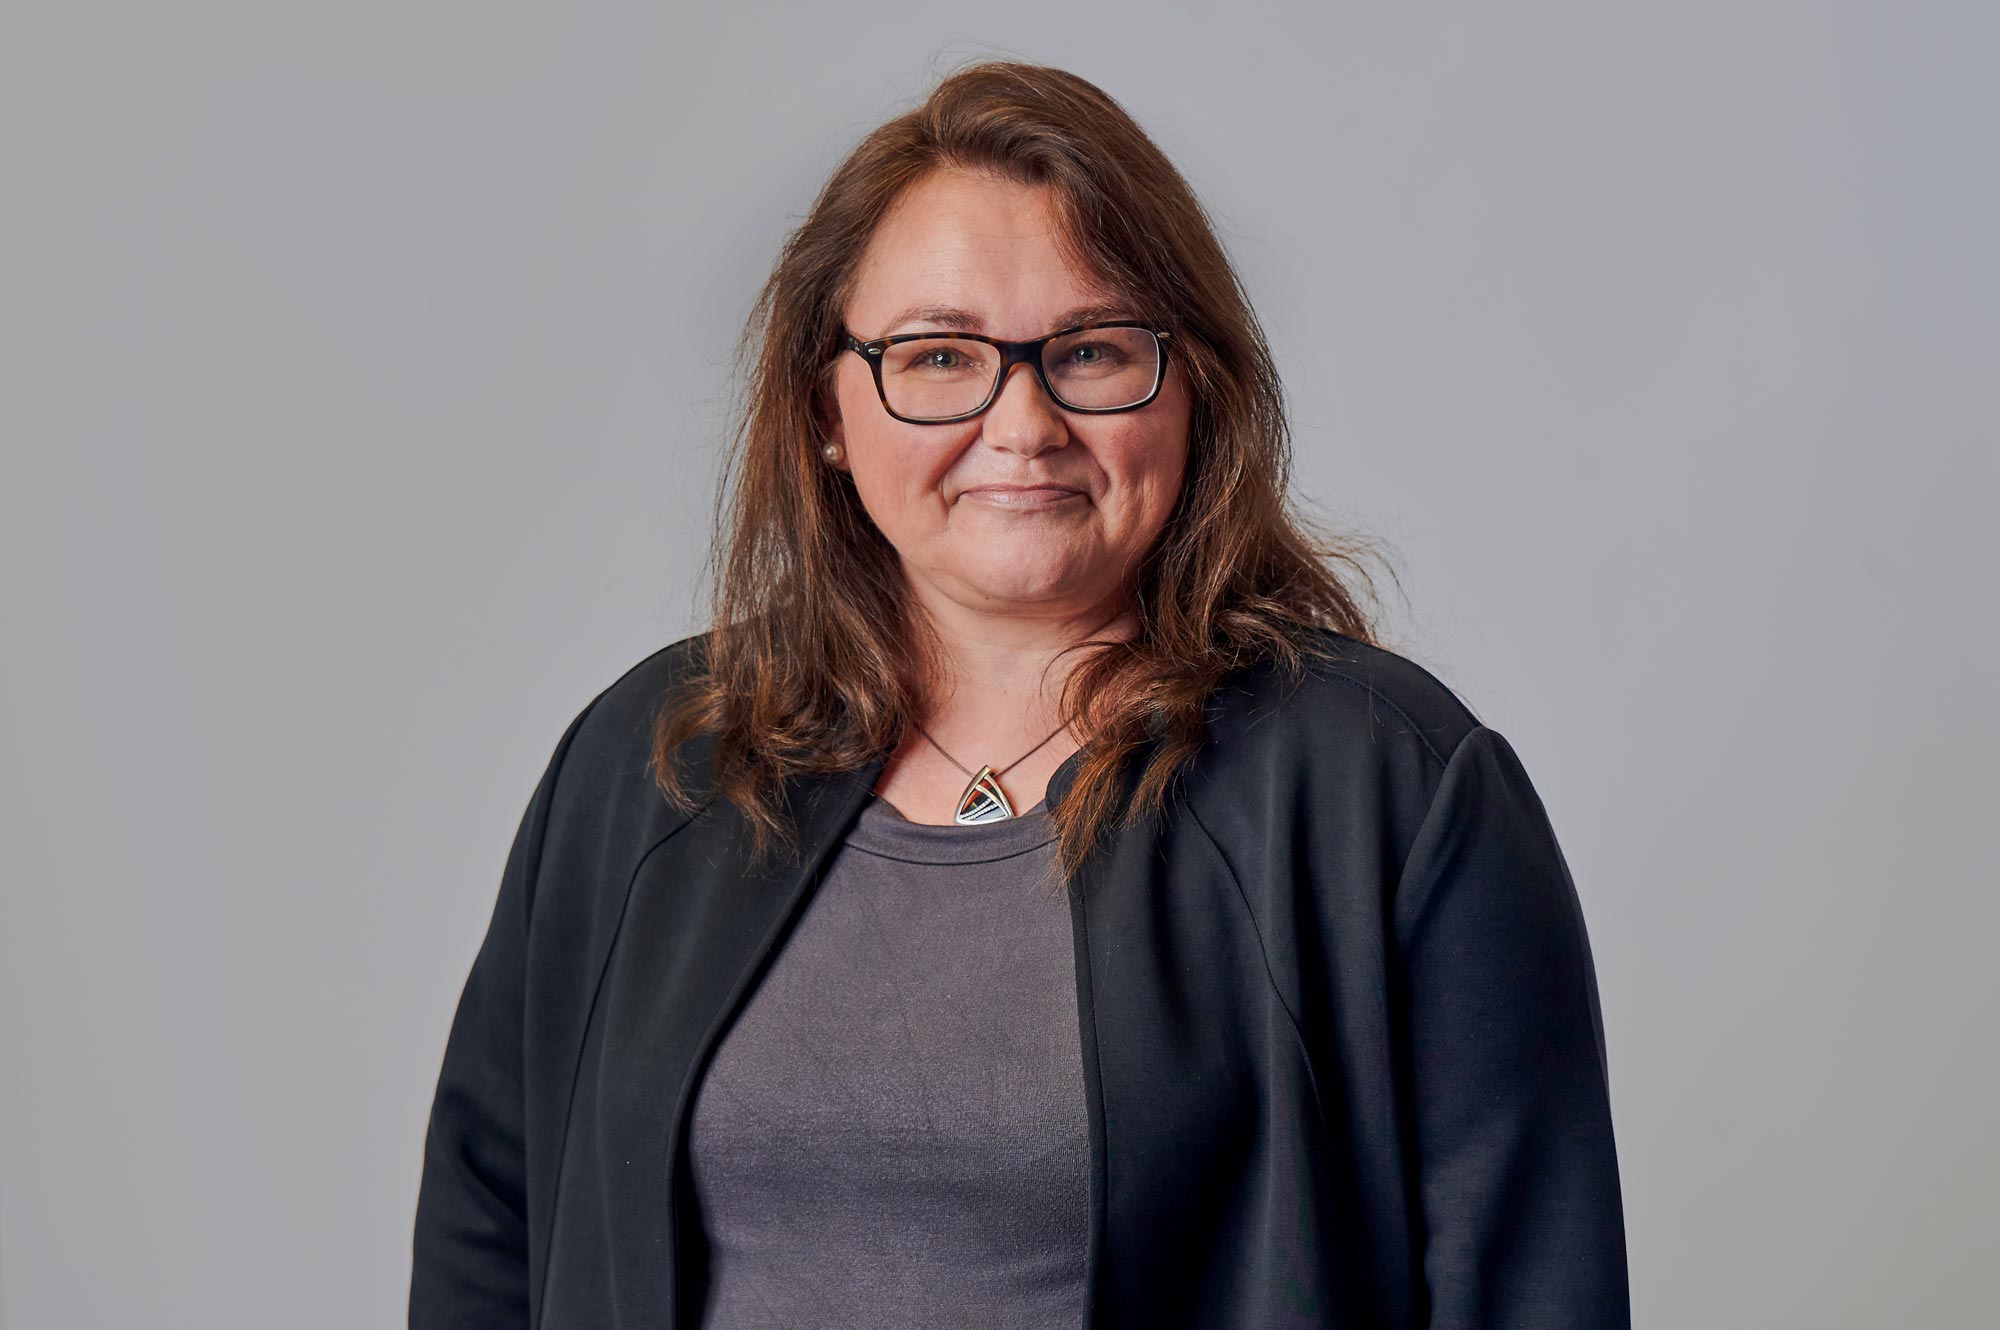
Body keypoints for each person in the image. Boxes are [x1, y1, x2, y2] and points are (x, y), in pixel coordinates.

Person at [409, 59, 1630, 1330]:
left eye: (1090, 350)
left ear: (1192, 387)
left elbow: (1532, 1290)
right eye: (938, 356)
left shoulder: (1389, 790)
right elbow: (492, 1227)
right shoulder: (654, 759)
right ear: (826, 410)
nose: (1022, 422)